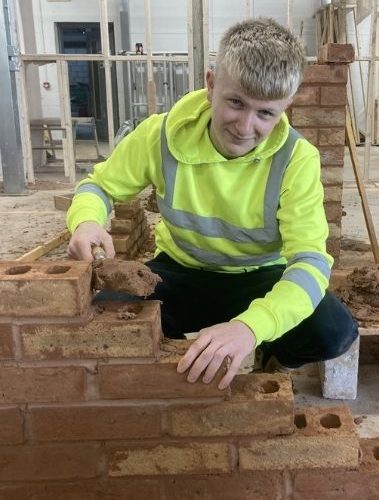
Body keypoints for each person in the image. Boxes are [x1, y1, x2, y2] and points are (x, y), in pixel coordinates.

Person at [67, 18, 358, 390]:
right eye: (235, 103)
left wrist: (251, 327)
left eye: (265, 113)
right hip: (178, 273)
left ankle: (273, 358)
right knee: (104, 313)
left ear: (286, 105)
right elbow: (99, 186)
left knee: (332, 331)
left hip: (259, 277)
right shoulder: (161, 134)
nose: (244, 126)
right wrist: (86, 221)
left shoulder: (296, 160)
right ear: (210, 85)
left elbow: (310, 262)